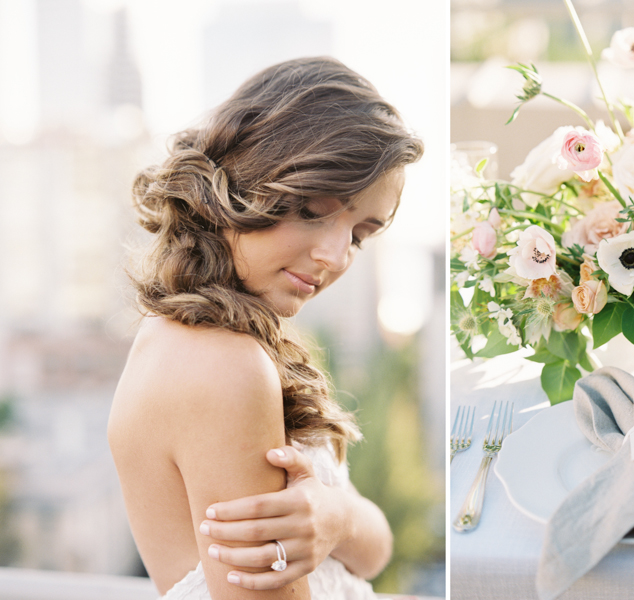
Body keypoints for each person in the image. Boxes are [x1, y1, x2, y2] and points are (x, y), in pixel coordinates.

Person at [107, 57, 424, 599]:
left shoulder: (229, 333)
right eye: (312, 210)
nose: (335, 255)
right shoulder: (224, 363)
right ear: (245, 182)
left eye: (359, 234)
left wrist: (336, 517)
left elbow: (376, 550)